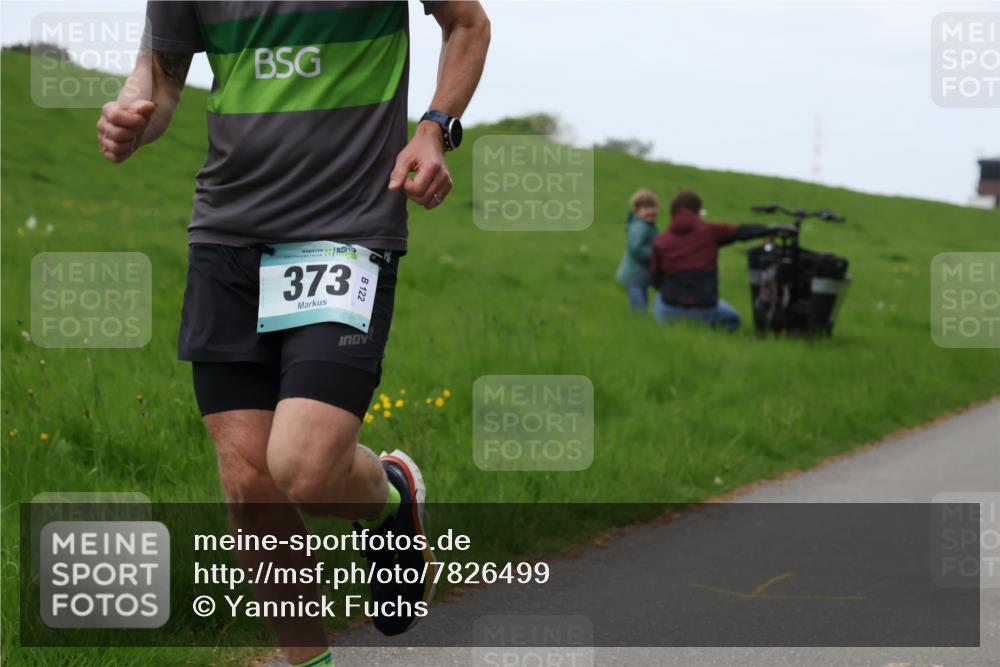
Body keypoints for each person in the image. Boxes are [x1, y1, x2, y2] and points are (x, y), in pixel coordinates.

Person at [96, 2, 490, 665]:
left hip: (346, 229)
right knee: (250, 487)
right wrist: (132, 112)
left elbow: (468, 23)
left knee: (306, 470)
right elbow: (160, 76)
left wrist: (434, 128)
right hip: (227, 235)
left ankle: (390, 497)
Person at [650, 190, 789, 331]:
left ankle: (670, 329)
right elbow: (741, 231)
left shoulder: (661, 241)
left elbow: (655, 280)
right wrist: (769, 230)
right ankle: (706, 333)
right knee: (734, 320)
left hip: (671, 307)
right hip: (704, 307)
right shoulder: (710, 231)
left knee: (658, 300)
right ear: (696, 211)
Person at [615, 189, 660, 312]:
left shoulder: (648, 226)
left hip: (640, 276)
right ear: (637, 211)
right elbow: (636, 249)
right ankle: (636, 321)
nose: (650, 211)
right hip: (634, 276)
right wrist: (654, 255)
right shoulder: (640, 227)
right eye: (645, 208)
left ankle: (638, 320)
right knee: (638, 308)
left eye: (653, 207)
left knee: (642, 304)